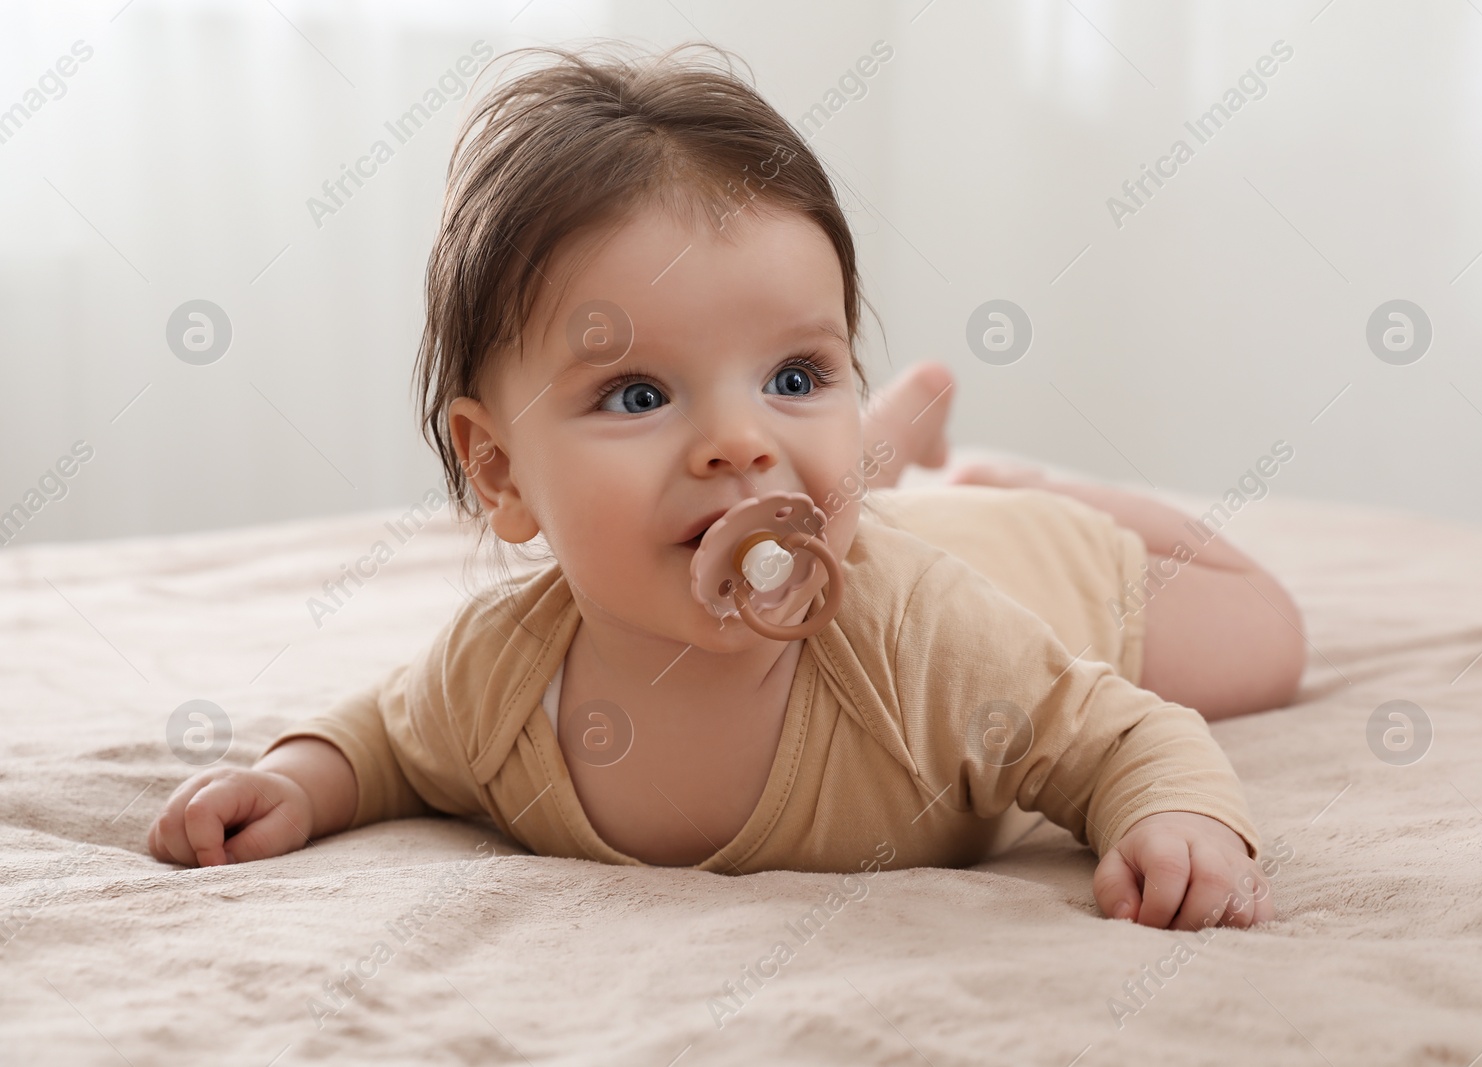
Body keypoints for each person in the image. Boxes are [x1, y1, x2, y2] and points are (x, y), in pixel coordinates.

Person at [149, 43, 1304, 932]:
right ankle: (904, 450)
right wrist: (297, 780)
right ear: (498, 471)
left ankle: (1018, 479)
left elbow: (1119, 735)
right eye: (640, 395)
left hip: (1044, 565)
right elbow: (393, 735)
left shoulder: (922, 635)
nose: (736, 444)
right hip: (884, 524)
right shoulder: (505, 676)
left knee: (1269, 638)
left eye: (797, 376)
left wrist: (1180, 813)